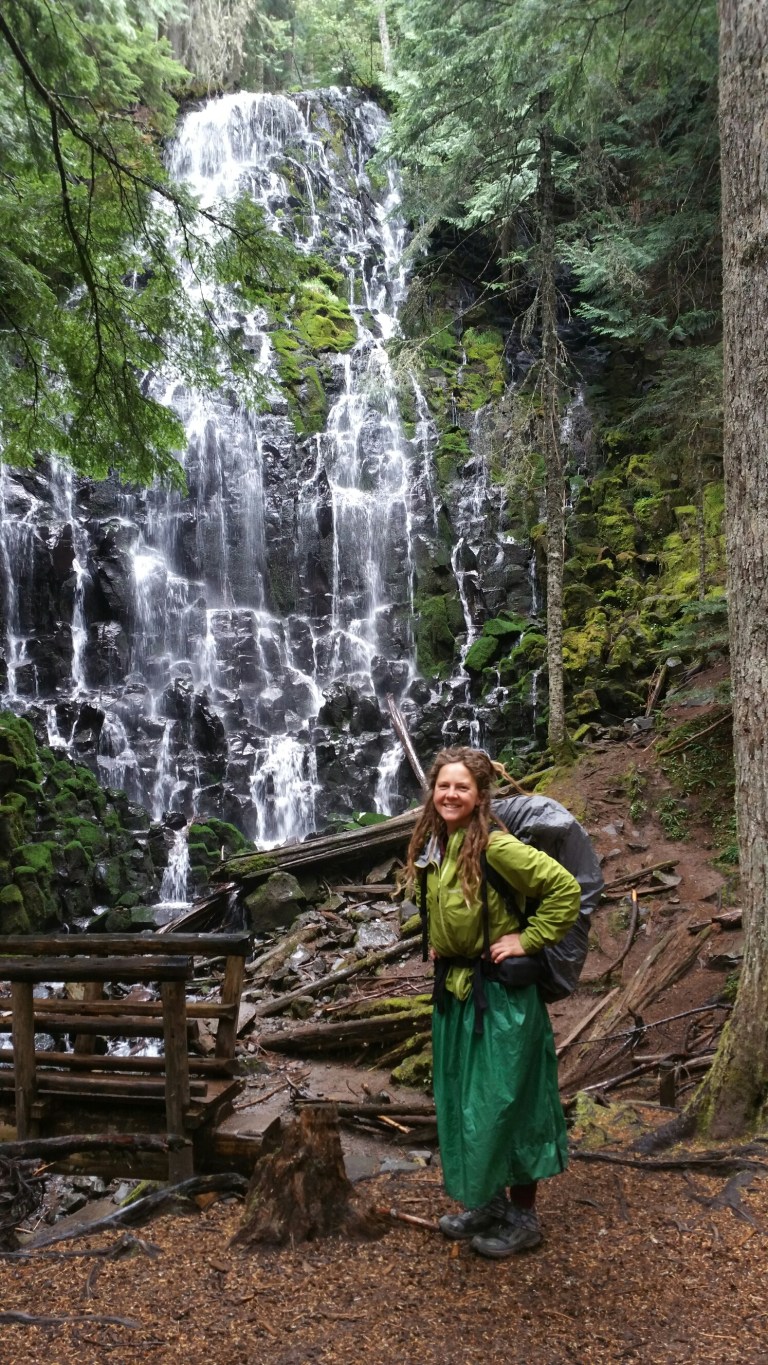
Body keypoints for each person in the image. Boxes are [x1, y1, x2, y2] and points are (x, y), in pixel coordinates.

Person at [402, 746, 581, 1259]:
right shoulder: (440, 844)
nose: (450, 794)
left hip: (501, 1000)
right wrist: (440, 940)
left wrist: (528, 939)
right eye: (443, 785)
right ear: (432, 791)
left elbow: (564, 890)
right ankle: (489, 1203)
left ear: (480, 795)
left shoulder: (497, 847)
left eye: (461, 787)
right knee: (469, 1101)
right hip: (457, 993)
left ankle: (523, 1218)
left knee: (510, 1104)